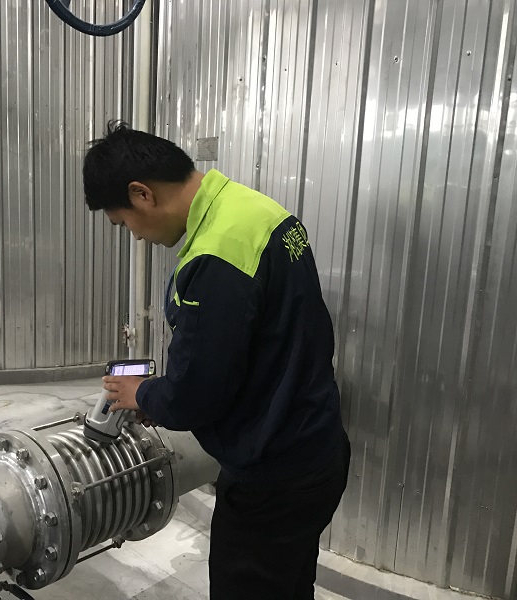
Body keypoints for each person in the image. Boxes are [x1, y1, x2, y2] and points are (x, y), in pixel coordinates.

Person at [82, 120, 350, 600]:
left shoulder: (214, 258)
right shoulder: (256, 211)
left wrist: (145, 393)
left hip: (272, 480)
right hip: (317, 447)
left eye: (124, 223)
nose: (136, 237)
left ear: (142, 194)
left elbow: (196, 397)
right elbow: (259, 348)